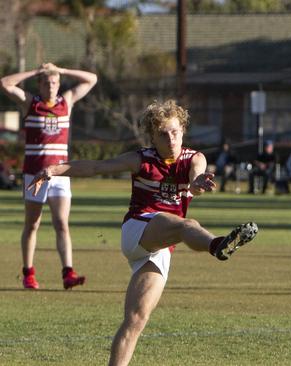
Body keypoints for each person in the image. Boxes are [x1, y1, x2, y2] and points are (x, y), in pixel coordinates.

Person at [27, 100, 258, 366]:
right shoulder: (141, 159)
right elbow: (96, 167)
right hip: (138, 228)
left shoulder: (194, 158)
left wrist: (198, 182)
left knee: (136, 319)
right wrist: (52, 170)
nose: (170, 138)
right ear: (152, 137)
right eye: (163, 133)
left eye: (174, 131)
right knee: (187, 225)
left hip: (160, 247)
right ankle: (217, 245)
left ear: (183, 130)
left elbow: (196, 175)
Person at [0, 62, 97, 289]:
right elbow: (5, 83)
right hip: (35, 175)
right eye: (46, 83)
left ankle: (68, 273)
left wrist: (62, 70)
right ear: (40, 85)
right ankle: (28, 273)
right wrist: (37, 71)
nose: (51, 87)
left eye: (54, 83)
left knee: (62, 223)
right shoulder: (30, 103)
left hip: (60, 175)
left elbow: (91, 78)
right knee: (32, 224)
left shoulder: (67, 102)